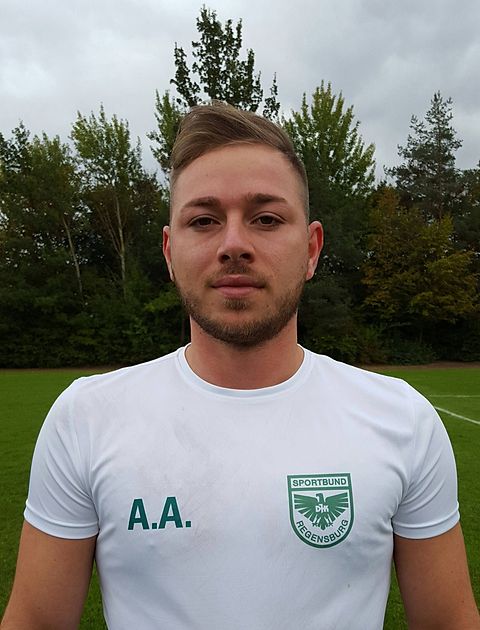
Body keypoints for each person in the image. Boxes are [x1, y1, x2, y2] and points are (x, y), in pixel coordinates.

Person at [2, 102, 479, 630]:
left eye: (266, 219)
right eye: (204, 221)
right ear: (169, 252)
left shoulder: (402, 420)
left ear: (312, 249)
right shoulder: (86, 418)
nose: (234, 245)